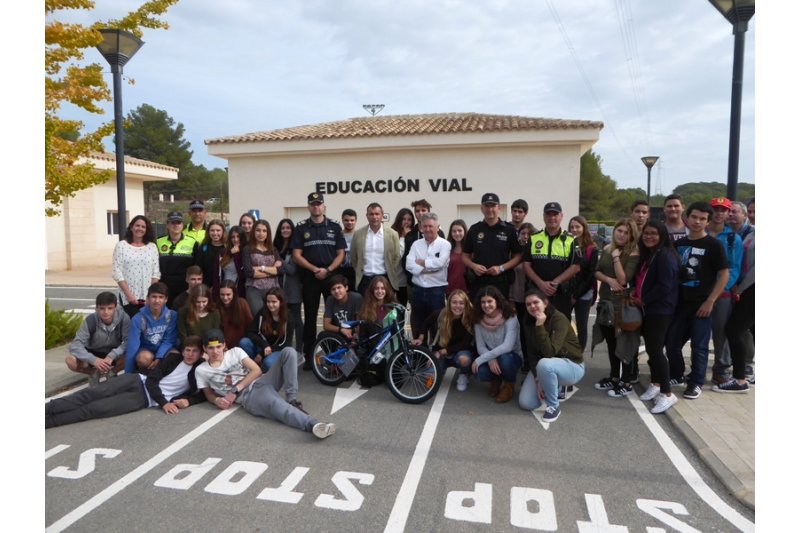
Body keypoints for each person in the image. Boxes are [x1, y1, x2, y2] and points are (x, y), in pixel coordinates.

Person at [195, 329, 336, 439]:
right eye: (211, 348)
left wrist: (235, 390)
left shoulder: (235, 352)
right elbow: (208, 394)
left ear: (224, 345)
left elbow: (256, 370)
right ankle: (314, 425)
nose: (215, 351)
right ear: (204, 348)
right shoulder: (201, 370)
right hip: (250, 396)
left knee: (289, 352)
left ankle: (291, 399)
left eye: (218, 347)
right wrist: (217, 400)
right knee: (280, 408)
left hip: (261, 380)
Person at [47, 336, 207, 428]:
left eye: (195, 351)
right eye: (187, 350)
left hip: (142, 399)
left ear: (201, 353)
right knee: (91, 393)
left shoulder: (200, 370)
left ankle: (48, 422)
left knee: (94, 409)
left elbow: (205, 393)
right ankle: (48, 408)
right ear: (183, 350)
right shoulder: (173, 358)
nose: (190, 354)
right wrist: (164, 403)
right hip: (137, 380)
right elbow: (152, 380)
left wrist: (189, 400)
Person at [665, 202, 729, 400]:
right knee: (672, 343)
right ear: (688, 217)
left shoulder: (714, 245)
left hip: (702, 305)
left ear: (707, 221)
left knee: (699, 347)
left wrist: (710, 301)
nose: (697, 221)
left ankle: (696, 383)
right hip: (680, 304)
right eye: (694, 217)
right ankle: (677, 375)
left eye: (702, 219)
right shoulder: (679, 244)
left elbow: (724, 275)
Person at [291, 192, 346, 369]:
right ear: (308, 207)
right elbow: (296, 255)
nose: (316, 207)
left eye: (319, 204)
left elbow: (341, 254)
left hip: (331, 277)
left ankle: (337, 353)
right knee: (311, 317)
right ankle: (310, 356)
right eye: (313, 204)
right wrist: (315, 269)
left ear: (324, 206)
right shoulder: (301, 228)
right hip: (310, 277)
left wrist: (328, 270)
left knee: (336, 316)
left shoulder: (335, 227)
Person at [630, 220, 680, 413]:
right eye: (646, 234)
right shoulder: (650, 255)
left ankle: (667, 394)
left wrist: (644, 300)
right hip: (650, 308)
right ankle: (656, 383)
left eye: (654, 234)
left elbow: (665, 286)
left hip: (661, 309)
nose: (649, 237)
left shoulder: (665, 256)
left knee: (656, 350)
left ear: (662, 236)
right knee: (653, 350)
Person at [517, 290, 584, 422]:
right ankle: (551, 383)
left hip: (571, 365)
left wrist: (540, 325)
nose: (532, 306)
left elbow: (550, 352)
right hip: (545, 366)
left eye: (536, 302)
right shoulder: (528, 321)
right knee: (526, 403)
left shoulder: (558, 318)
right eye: (528, 304)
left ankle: (553, 406)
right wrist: (538, 378)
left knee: (545, 364)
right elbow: (531, 354)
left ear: (545, 303)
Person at [592, 218, 641, 397]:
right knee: (611, 342)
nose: (621, 235)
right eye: (619, 231)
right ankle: (614, 376)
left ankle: (626, 380)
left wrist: (615, 258)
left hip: (623, 304)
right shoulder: (606, 248)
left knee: (625, 342)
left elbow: (623, 279)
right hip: (605, 302)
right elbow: (596, 271)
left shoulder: (633, 252)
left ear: (631, 235)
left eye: (626, 232)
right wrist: (607, 279)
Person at [707, 197, 743, 386]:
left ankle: (721, 370)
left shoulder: (732, 238)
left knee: (721, 334)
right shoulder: (700, 232)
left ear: (728, 212)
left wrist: (722, 287)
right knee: (698, 333)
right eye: (716, 209)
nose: (720, 213)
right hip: (698, 292)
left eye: (724, 209)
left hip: (723, 294)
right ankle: (696, 369)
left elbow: (735, 267)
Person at [522, 202, 581, 317]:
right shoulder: (534, 238)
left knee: (560, 328)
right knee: (536, 328)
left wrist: (555, 283)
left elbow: (576, 267)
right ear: (544, 216)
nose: (552, 218)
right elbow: (526, 265)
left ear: (561, 216)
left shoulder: (571, 239)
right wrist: (541, 284)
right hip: (537, 293)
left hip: (560, 294)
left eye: (555, 214)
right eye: (548, 214)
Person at [462, 193, 523, 300]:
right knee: (477, 314)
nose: (490, 209)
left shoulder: (509, 230)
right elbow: (464, 256)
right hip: (478, 282)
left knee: (500, 314)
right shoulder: (474, 229)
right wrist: (473, 266)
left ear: (499, 208)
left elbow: (518, 256)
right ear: (482, 209)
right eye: (486, 206)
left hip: (500, 282)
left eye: (493, 206)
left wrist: (501, 268)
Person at [413, 289, 475, 392]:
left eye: (461, 303)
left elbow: (465, 344)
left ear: (466, 305)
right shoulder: (440, 314)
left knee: (464, 359)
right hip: (440, 354)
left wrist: (442, 352)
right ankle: (439, 372)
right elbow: (425, 323)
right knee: (429, 384)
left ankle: (464, 375)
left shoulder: (469, 319)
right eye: (454, 302)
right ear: (449, 303)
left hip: (458, 353)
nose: (457, 306)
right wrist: (420, 337)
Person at [717, 229, 755, 393]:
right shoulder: (751, 234)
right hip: (746, 289)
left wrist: (740, 288)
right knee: (739, 330)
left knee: (734, 330)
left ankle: (740, 379)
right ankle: (741, 375)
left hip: (752, 288)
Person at [66, 291, 131, 386]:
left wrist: (112, 355)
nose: (106, 312)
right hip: (93, 352)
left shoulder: (124, 318)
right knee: (70, 361)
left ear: (115, 307)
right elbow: (75, 345)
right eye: (102, 308)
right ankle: (93, 373)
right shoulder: (90, 320)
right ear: (96, 308)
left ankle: (112, 373)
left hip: (113, 352)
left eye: (110, 308)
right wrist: (93, 360)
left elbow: (128, 341)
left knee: (134, 353)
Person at [471, 285, 522, 403]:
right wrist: (490, 359)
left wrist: (483, 358)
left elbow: (507, 346)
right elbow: (481, 346)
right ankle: (497, 379)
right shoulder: (478, 319)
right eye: (483, 302)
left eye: (490, 301)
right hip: (492, 356)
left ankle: (509, 384)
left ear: (497, 301)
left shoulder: (510, 317)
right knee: (479, 372)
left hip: (511, 356)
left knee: (505, 359)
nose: (486, 305)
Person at [405, 212, 451, 338]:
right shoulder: (416, 244)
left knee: (437, 325)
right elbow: (408, 265)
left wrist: (422, 263)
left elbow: (440, 263)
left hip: (436, 291)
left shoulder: (445, 244)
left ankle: (435, 354)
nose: (427, 229)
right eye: (425, 226)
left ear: (437, 227)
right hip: (418, 290)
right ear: (421, 228)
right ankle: (419, 353)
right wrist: (428, 268)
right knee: (417, 325)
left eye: (430, 226)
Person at [240, 287, 303, 374]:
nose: (270, 305)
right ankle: (254, 367)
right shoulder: (262, 313)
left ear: (281, 302)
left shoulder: (289, 318)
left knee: (268, 363)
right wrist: (264, 345)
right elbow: (251, 332)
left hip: (277, 350)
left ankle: (269, 368)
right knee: (244, 342)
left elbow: (286, 344)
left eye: (274, 302)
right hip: (263, 346)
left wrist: (262, 354)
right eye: (268, 302)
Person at [111, 215, 160, 318]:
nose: (140, 229)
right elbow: (117, 272)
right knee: (130, 328)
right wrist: (129, 295)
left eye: (143, 227)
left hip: (147, 298)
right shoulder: (121, 246)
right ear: (131, 227)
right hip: (128, 297)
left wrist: (150, 296)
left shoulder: (152, 247)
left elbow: (155, 273)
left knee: (145, 328)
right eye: (137, 225)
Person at [125, 282, 180, 373]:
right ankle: (143, 377)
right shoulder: (138, 319)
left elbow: (169, 340)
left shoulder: (172, 315)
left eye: (161, 297)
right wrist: (128, 374)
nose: (157, 300)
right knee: (143, 359)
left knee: (175, 357)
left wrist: (159, 357)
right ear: (147, 298)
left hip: (164, 349)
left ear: (166, 299)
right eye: (154, 297)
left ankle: (164, 381)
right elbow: (132, 347)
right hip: (146, 350)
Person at [355, 276, 398, 387]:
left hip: (391, 351)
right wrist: (363, 358)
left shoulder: (393, 306)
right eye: (377, 288)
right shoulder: (366, 309)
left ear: (387, 290)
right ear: (372, 291)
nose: (380, 291)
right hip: (375, 353)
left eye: (382, 288)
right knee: (369, 381)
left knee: (398, 381)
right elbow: (363, 337)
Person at [350, 202, 401, 295]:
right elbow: (353, 257)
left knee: (384, 309)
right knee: (366, 308)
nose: (374, 217)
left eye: (377, 214)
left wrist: (390, 269)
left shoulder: (392, 234)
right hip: (365, 280)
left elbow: (397, 256)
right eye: (371, 214)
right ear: (367, 216)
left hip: (385, 279)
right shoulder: (358, 234)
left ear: (382, 215)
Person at [156, 211, 200, 309]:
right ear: (167, 225)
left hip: (184, 286)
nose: (176, 225)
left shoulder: (192, 242)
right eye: (173, 223)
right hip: (164, 285)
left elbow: (196, 266)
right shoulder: (158, 242)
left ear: (182, 225)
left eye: (178, 223)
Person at [567, 215, 597, 351]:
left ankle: (578, 354)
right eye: (572, 227)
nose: (574, 230)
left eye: (577, 227)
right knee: (563, 324)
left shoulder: (592, 249)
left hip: (584, 293)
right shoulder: (567, 245)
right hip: (567, 291)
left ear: (584, 228)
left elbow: (591, 275)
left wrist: (576, 295)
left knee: (581, 325)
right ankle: (566, 350)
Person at [274, 218, 303, 351]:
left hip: (293, 289)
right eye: (283, 228)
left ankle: (299, 349)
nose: (285, 230)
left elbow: (292, 270)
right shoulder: (276, 246)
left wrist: (281, 263)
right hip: (278, 289)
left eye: (288, 228)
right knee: (284, 320)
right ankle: (286, 348)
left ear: (292, 230)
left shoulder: (296, 247)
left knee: (296, 320)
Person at [242, 219, 282, 316]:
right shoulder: (247, 249)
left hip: (273, 289)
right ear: (253, 232)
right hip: (254, 289)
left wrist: (261, 268)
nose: (261, 233)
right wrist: (272, 270)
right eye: (258, 230)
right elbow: (249, 272)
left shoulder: (273, 249)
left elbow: (280, 270)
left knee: (274, 317)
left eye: (264, 231)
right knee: (259, 316)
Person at [321, 275, 363, 342]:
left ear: (346, 287)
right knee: (322, 335)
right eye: (333, 289)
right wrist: (341, 330)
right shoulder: (330, 300)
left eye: (339, 287)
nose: (336, 291)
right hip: (340, 331)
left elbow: (360, 322)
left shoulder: (356, 298)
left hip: (354, 331)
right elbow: (326, 325)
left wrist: (353, 331)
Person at [177, 284, 221, 348]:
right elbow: (183, 337)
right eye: (198, 302)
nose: (201, 305)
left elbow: (215, 336)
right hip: (190, 348)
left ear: (209, 300)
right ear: (192, 300)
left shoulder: (214, 313)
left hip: (208, 348)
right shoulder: (183, 312)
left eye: (204, 301)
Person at [216, 279, 253, 350]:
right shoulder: (216, 308)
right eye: (222, 295)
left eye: (228, 294)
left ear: (234, 294)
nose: (225, 298)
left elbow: (250, 325)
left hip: (242, 346)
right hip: (224, 347)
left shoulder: (242, 304)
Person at [391, 207, 414, 306]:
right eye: (404, 219)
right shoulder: (392, 234)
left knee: (403, 306)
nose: (406, 222)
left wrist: (407, 237)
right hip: (393, 277)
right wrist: (403, 237)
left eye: (409, 220)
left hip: (406, 279)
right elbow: (398, 254)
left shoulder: (414, 235)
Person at [198, 219, 226, 298]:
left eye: (218, 230)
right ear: (208, 232)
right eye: (212, 230)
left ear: (223, 231)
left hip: (224, 289)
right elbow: (199, 269)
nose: (215, 233)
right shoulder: (203, 248)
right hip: (207, 288)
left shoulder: (227, 248)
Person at [221, 225, 247, 298]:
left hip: (238, 290)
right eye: (233, 237)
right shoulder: (223, 252)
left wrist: (236, 254)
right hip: (223, 290)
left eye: (238, 237)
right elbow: (218, 273)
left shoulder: (245, 252)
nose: (235, 240)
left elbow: (242, 274)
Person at [446, 219, 469, 296]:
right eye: (454, 231)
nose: (457, 233)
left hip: (468, 289)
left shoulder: (471, 249)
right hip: (450, 289)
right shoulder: (446, 249)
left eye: (460, 231)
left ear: (464, 231)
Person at [339, 208, 358, 290]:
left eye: (352, 220)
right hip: (340, 271)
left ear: (356, 221)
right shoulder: (338, 235)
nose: (349, 222)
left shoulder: (360, 235)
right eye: (346, 220)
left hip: (356, 271)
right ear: (342, 220)